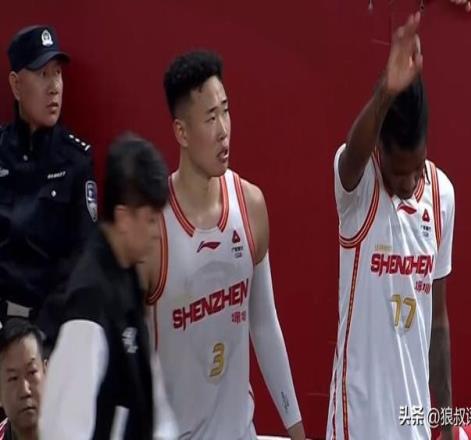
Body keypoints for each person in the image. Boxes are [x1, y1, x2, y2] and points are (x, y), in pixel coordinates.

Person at [138, 50, 305, 440]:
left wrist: (296, 429)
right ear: (181, 132)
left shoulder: (250, 205)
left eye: (226, 112)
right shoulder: (154, 230)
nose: (223, 130)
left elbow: (264, 325)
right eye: (210, 118)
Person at [326, 12, 455, 440]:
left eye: (416, 167)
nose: (408, 182)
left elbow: (438, 321)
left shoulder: (442, 195)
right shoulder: (359, 189)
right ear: (379, 150)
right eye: (399, 172)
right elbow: (351, 157)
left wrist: (446, 421)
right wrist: (385, 91)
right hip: (356, 424)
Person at [39, 134, 177, 439]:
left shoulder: (126, 274)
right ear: (123, 218)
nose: (158, 232)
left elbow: (152, 398)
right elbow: (62, 428)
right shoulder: (90, 300)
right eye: (151, 219)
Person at [0, 25, 96, 345]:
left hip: (49, 336)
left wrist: (40, 335)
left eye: (58, 74)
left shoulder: (75, 161)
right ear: (16, 85)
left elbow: (83, 258)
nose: (54, 87)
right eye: (43, 74)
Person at [0, 318, 46, 440]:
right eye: (13, 378)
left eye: (32, 372)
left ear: (46, 372)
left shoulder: (78, 430)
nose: (25, 390)